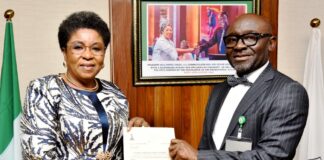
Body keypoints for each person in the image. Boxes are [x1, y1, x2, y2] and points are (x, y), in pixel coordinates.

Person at [169, 13, 309, 160]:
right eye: (232, 40)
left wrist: (200, 157)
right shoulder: (219, 90)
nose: (239, 46)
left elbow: (271, 156)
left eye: (250, 38)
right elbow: (207, 146)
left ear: (271, 43)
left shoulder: (288, 92)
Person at [20, 11, 149, 160]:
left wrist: (139, 130)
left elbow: (120, 148)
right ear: (64, 52)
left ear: (104, 53)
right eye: (78, 47)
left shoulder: (114, 92)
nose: (88, 55)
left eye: (96, 48)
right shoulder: (43, 89)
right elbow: (37, 155)